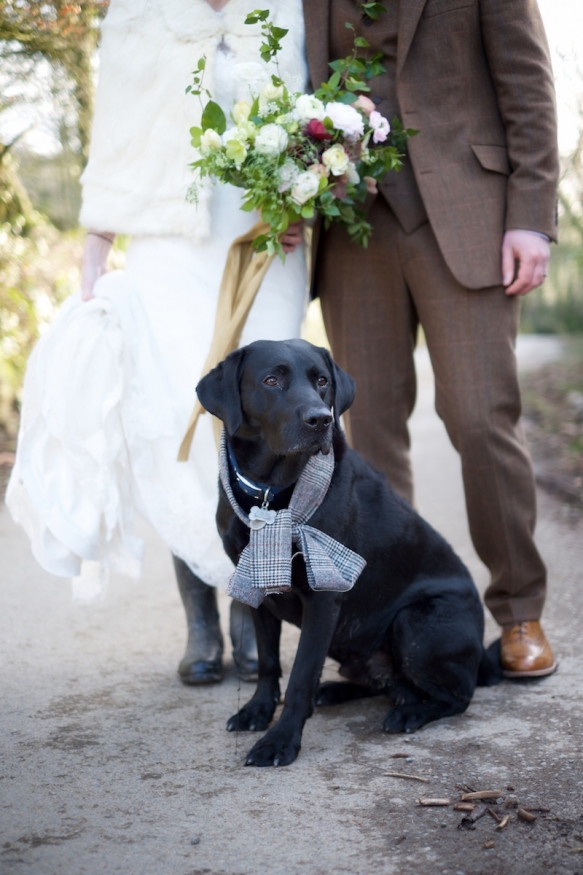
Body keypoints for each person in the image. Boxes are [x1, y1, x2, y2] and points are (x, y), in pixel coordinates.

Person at [7, 0, 308, 685]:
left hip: (265, 241)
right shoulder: (139, 13)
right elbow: (116, 132)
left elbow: (310, 121)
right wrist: (94, 245)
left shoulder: (286, 9)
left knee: (262, 425)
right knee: (180, 415)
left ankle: (248, 607)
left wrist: (301, 204)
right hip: (170, 243)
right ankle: (199, 616)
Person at [302, 0, 559, 677]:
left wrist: (531, 215)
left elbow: (527, 84)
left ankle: (518, 610)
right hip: (352, 222)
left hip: (470, 214)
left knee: (480, 418)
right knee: (369, 431)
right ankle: (392, 618)